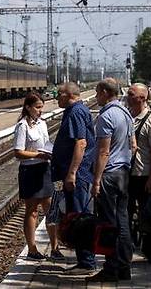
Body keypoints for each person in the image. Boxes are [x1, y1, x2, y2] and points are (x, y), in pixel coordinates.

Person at [89, 78, 135, 282]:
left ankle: (111, 269)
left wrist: (96, 180)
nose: (97, 96)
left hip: (109, 175)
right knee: (123, 221)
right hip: (123, 172)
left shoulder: (106, 116)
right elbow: (133, 145)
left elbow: (103, 152)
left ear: (106, 92)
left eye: (98, 92)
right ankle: (124, 267)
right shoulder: (126, 113)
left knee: (108, 223)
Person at [51, 82, 97, 272]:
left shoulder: (76, 112)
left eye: (58, 95)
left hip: (78, 175)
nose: (56, 99)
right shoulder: (75, 110)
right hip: (79, 173)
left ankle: (87, 263)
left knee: (79, 219)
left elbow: (81, 143)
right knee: (77, 217)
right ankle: (84, 261)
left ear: (67, 95)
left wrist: (71, 173)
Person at [12, 92, 56, 260]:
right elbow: (18, 152)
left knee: (50, 209)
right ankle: (32, 249)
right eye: (37, 107)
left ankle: (55, 247)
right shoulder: (22, 126)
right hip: (29, 171)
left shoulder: (42, 124)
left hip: (45, 169)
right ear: (28, 107)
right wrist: (37, 155)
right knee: (32, 211)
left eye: (41, 107)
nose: (40, 111)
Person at [126, 83, 151, 264]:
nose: (127, 95)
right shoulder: (129, 116)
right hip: (129, 174)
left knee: (148, 214)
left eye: (131, 94)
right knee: (127, 211)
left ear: (141, 98)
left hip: (144, 174)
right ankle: (129, 245)